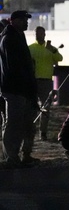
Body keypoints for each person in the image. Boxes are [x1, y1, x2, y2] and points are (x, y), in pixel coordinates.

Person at [0, 10, 38, 167]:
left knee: (25, 122)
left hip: (22, 88)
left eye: (26, 19)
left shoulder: (16, 36)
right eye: (22, 19)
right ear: (13, 21)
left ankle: (21, 155)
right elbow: (15, 68)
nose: (26, 22)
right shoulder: (9, 39)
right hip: (15, 88)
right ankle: (11, 156)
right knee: (14, 123)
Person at [27, 25, 63, 142]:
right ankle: (30, 130)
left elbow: (59, 58)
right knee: (31, 107)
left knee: (46, 107)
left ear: (45, 34)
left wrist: (53, 49)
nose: (39, 35)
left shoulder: (50, 48)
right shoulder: (30, 48)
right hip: (32, 81)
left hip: (47, 81)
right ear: (35, 34)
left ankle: (43, 132)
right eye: (37, 33)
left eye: (41, 33)